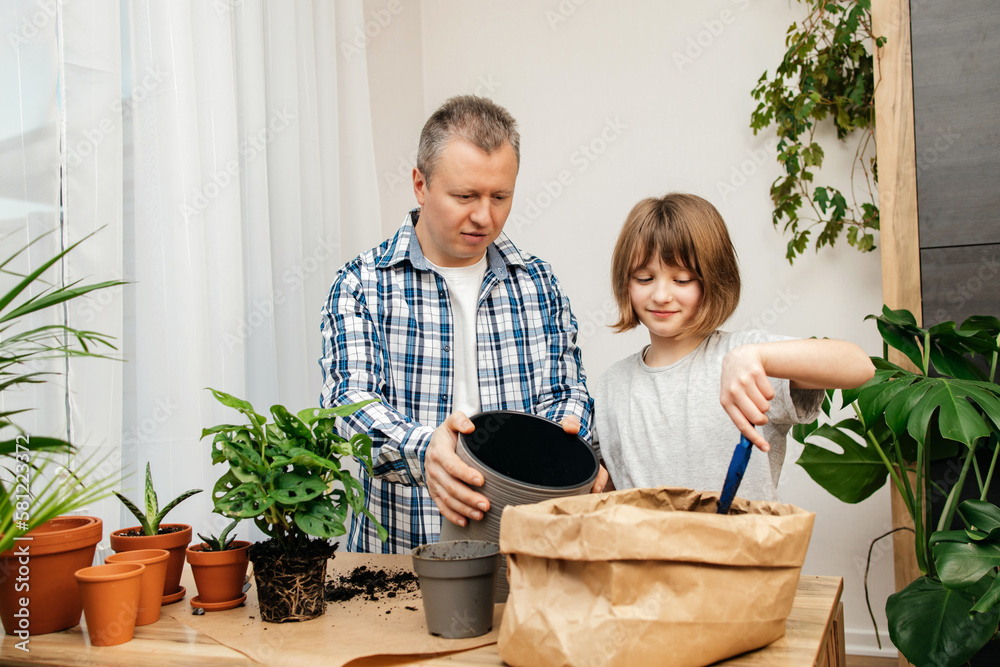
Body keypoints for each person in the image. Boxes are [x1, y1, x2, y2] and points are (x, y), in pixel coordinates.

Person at [320, 95, 607, 553]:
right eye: (464, 196)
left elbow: (567, 392)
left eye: (500, 196)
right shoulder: (361, 285)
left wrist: (561, 451)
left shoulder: (538, 282)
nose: (484, 217)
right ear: (419, 184)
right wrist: (426, 448)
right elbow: (347, 407)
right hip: (397, 557)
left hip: (521, 555)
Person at [593, 193, 875, 500]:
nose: (661, 295)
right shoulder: (612, 385)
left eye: (683, 280)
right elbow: (610, 491)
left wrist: (757, 356)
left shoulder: (747, 358)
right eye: (644, 278)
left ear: (713, 279)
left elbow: (859, 366)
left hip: (741, 546)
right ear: (625, 282)